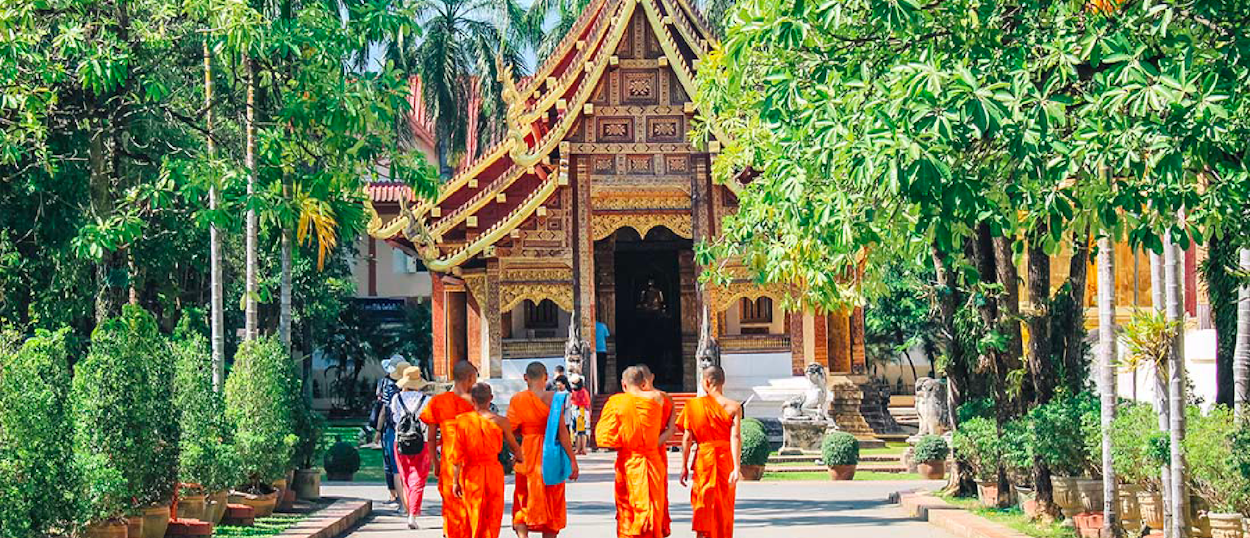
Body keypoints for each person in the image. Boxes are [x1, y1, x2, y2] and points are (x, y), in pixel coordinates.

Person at [594, 366, 670, 538]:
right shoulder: (658, 398)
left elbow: (603, 438)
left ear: (623, 384)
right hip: (653, 461)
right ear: (644, 383)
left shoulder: (616, 402)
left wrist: (627, 439)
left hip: (628, 463)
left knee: (627, 509)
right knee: (652, 510)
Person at [508, 361, 580, 538]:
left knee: (524, 497)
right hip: (552, 455)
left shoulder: (518, 399)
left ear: (525, 378)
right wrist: (572, 460)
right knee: (552, 497)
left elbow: (509, 429)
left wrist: (515, 451)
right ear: (546, 377)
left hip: (527, 453)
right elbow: (562, 432)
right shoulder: (555, 399)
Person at [450, 383, 524, 538]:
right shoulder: (501, 421)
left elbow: (456, 455)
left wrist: (455, 481)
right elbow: (515, 448)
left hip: (471, 472)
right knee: (492, 512)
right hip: (493, 471)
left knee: (473, 511)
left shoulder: (462, 421)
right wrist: (516, 460)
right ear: (491, 398)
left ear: (472, 399)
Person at [678, 365, 742, 538]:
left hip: (703, 460)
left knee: (703, 503)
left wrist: (684, 466)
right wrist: (736, 467)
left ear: (705, 382)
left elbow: (687, 439)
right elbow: (735, 437)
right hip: (725, 460)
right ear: (723, 382)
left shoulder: (692, 406)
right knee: (723, 506)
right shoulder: (734, 407)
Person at [420, 360, 478, 538]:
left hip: (448, 459)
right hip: (472, 462)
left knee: (452, 504)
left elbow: (430, 438)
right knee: (472, 507)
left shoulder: (438, 401)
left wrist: (435, 462)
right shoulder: (476, 402)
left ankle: (451, 533)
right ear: (469, 378)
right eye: (475, 378)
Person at [390, 365, 433, 529]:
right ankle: (412, 514)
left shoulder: (396, 399)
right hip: (421, 441)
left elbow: (395, 419)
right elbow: (429, 421)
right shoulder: (426, 400)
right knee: (418, 479)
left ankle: (410, 511)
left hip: (399, 441)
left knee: (406, 477)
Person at [374, 358, 409, 508]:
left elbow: (383, 410)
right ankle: (405, 499)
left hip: (390, 428)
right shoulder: (410, 388)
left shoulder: (386, 385)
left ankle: (399, 498)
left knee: (393, 465)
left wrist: (377, 430)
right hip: (408, 430)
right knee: (402, 465)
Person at [568, 374, 591, 455]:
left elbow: (586, 403)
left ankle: (581, 448)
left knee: (581, 432)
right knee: (578, 432)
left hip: (580, 410)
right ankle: (580, 448)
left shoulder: (582, 392)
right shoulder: (576, 391)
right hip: (577, 410)